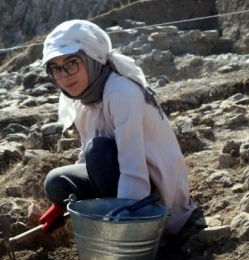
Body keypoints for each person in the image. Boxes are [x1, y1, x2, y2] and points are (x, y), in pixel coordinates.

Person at [38, 19, 196, 236]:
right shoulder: (82, 98)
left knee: (99, 151)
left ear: (92, 58)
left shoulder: (121, 93)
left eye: (71, 64)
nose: (64, 76)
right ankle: (107, 214)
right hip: (117, 174)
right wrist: (65, 200)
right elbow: (86, 160)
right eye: (55, 69)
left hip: (156, 195)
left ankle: (139, 231)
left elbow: (134, 170)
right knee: (57, 182)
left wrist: (122, 228)